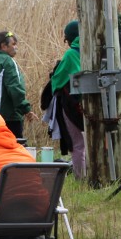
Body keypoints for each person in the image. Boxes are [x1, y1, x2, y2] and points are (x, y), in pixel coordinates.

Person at [0, 30, 37, 140]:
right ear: (4, 46)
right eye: (13, 44)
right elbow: (15, 89)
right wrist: (26, 109)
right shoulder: (7, 61)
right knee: (11, 147)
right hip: (8, 119)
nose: (16, 47)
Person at [50, 20, 85, 178]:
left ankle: (81, 178)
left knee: (77, 144)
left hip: (73, 105)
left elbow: (57, 80)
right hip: (97, 105)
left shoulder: (71, 54)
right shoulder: (96, 49)